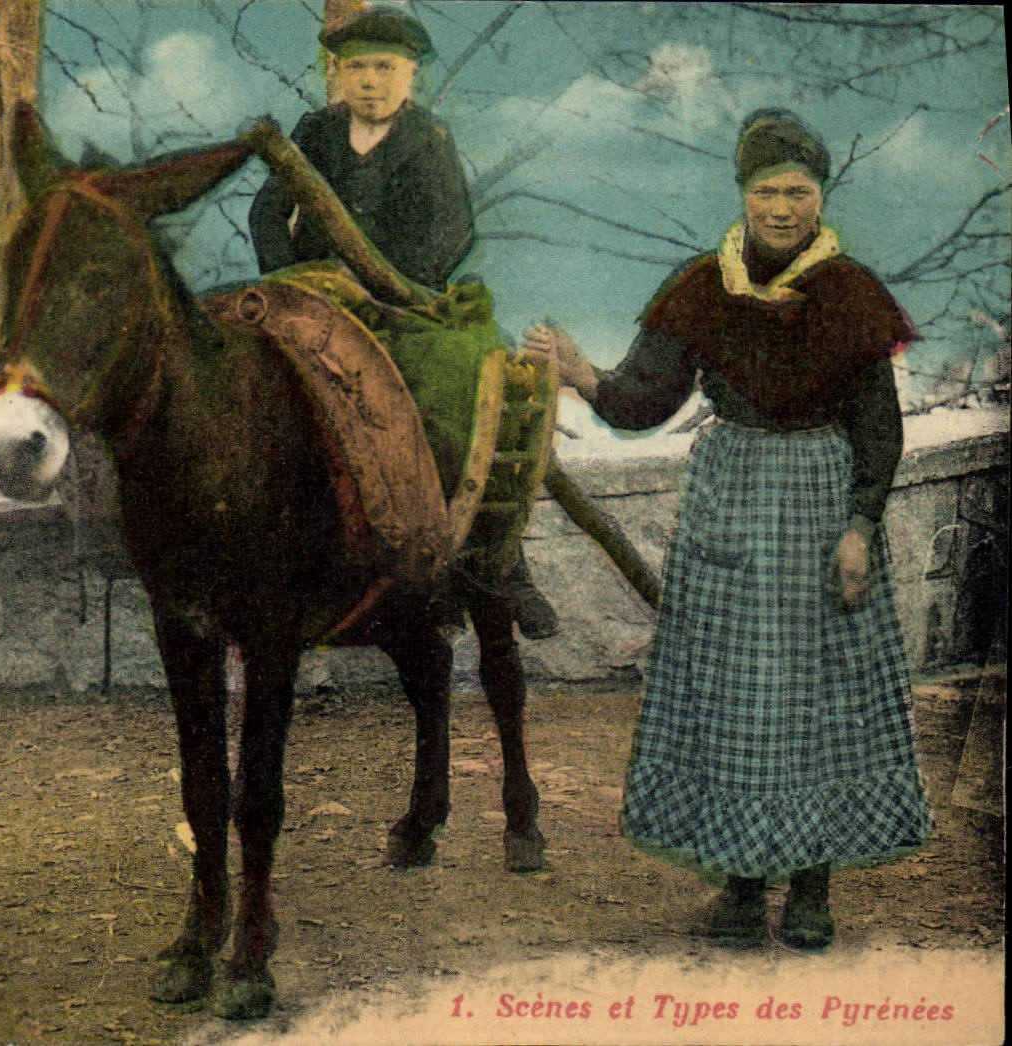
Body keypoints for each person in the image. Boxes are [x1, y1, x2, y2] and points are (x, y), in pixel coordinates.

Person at [524, 109, 932, 949]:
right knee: (734, 696)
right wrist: (580, 374)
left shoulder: (849, 293)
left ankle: (810, 890)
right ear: (742, 194)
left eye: (798, 190)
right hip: (729, 496)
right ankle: (743, 890)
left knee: (820, 698)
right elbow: (644, 400)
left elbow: (877, 428)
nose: (781, 207)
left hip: (819, 499)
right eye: (765, 190)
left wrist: (859, 526)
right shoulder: (701, 287)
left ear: (820, 197)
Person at [248, 3, 559, 637]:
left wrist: (389, 285)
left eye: (385, 68)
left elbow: (453, 232)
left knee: (455, 379)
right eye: (356, 67)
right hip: (315, 299)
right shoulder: (316, 134)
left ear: (410, 75)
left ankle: (501, 563)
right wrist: (291, 278)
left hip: (404, 303)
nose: (370, 81)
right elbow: (265, 215)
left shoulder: (427, 140)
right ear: (337, 74)